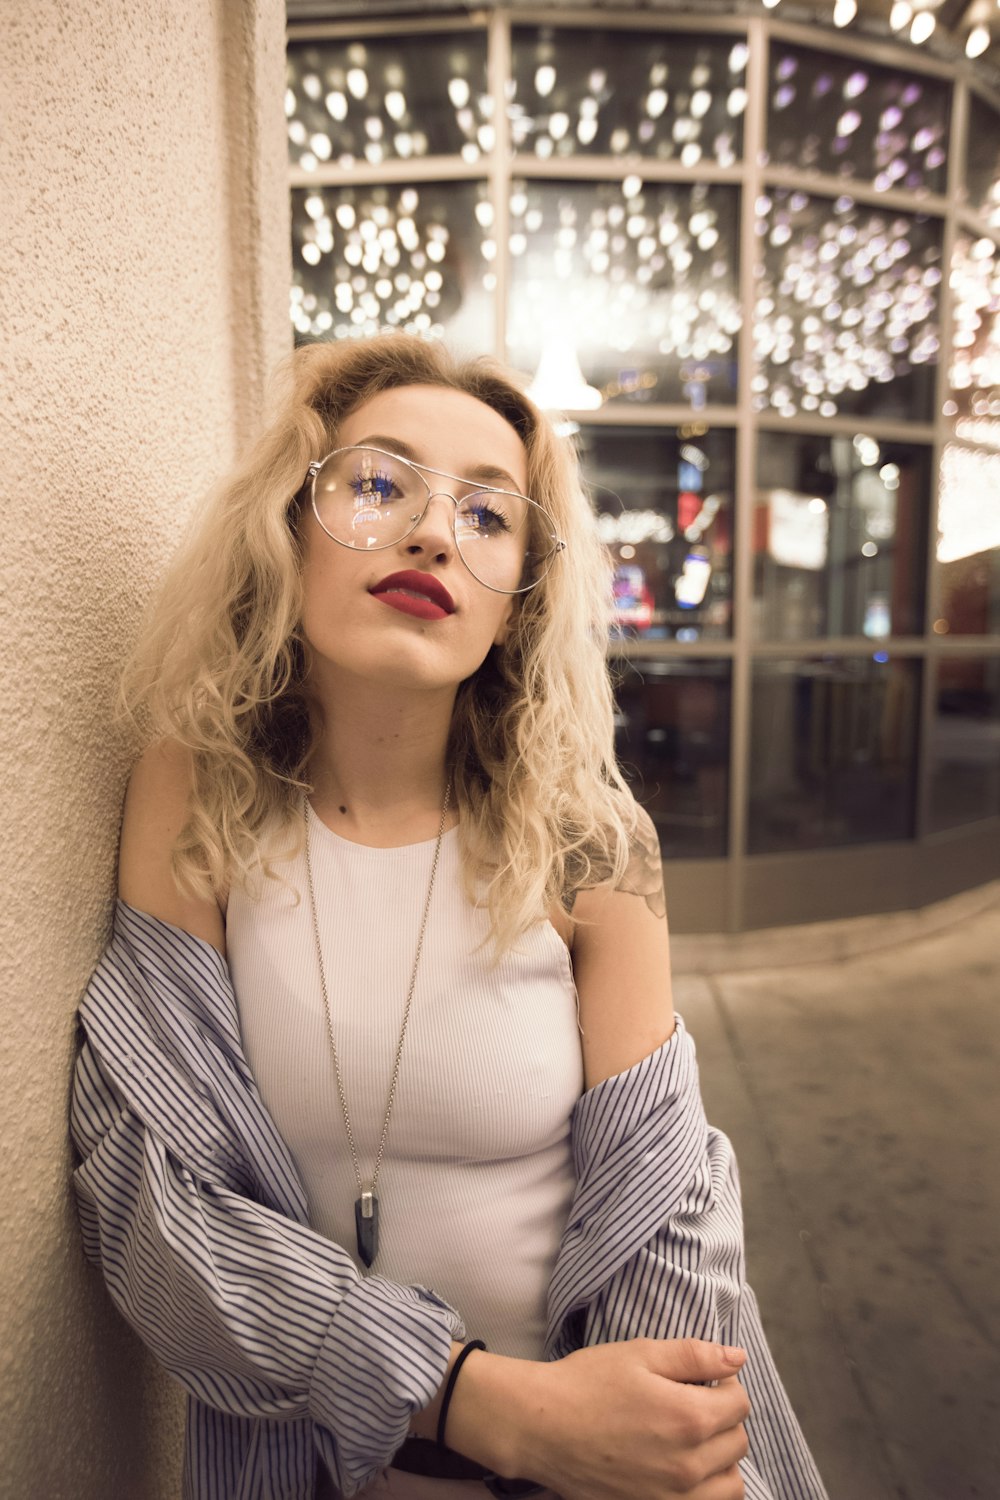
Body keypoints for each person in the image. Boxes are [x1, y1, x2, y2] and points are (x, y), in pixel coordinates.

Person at [70, 333, 828, 1500]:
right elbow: (152, 1197)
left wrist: (669, 1445)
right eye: (378, 483)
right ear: (288, 527)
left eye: (488, 516)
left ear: (516, 601)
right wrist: (479, 1401)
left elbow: (666, 1206)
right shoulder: (197, 789)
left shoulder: (590, 841)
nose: (432, 531)